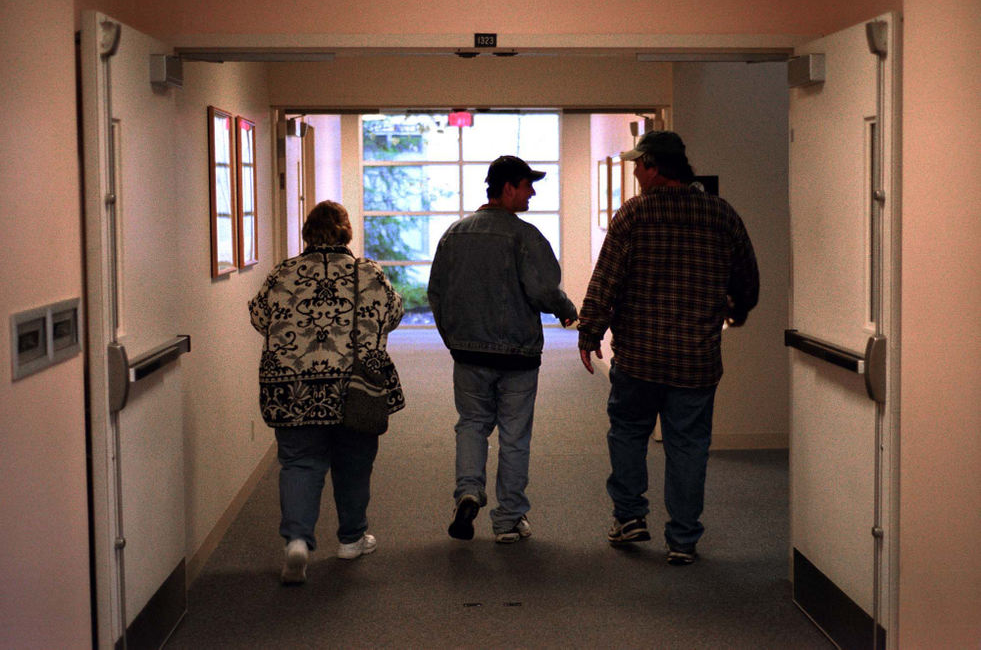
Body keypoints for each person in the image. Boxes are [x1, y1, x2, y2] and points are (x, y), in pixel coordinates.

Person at [578, 131, 759, 565]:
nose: (636, 172)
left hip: (639, 355)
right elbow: (747, 277)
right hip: (696, 358)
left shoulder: (634, 215)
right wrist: (737, 310)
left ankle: (630, 518)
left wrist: (589, 332)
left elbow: (606, 279)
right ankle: (682, 539)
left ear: (655, 167)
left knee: (627, 433)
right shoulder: (721, 215)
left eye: (639, 165)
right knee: (688, 446)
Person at [249, 200, 405, 585]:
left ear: (307, 232)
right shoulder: (367, 271)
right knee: (353, 460)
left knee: (300, 462)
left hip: (292, 387)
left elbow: (258, 317)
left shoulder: (282, 273)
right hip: (354, 388)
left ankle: (298, 540)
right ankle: (351, 538)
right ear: (346, 231)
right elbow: (394, 313)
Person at [428, 155, 578, 544]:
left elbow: (437, 295)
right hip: (518, 354)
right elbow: (545, 290)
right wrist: (566, 311)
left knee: (472, 424)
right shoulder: (525, 236)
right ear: (507, 188)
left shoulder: (453, 234)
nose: (532, 192)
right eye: (527, 185)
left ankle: (467, 492)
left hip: (468, 354)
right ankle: (508, 519)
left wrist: (454, 341)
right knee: (514, 435)